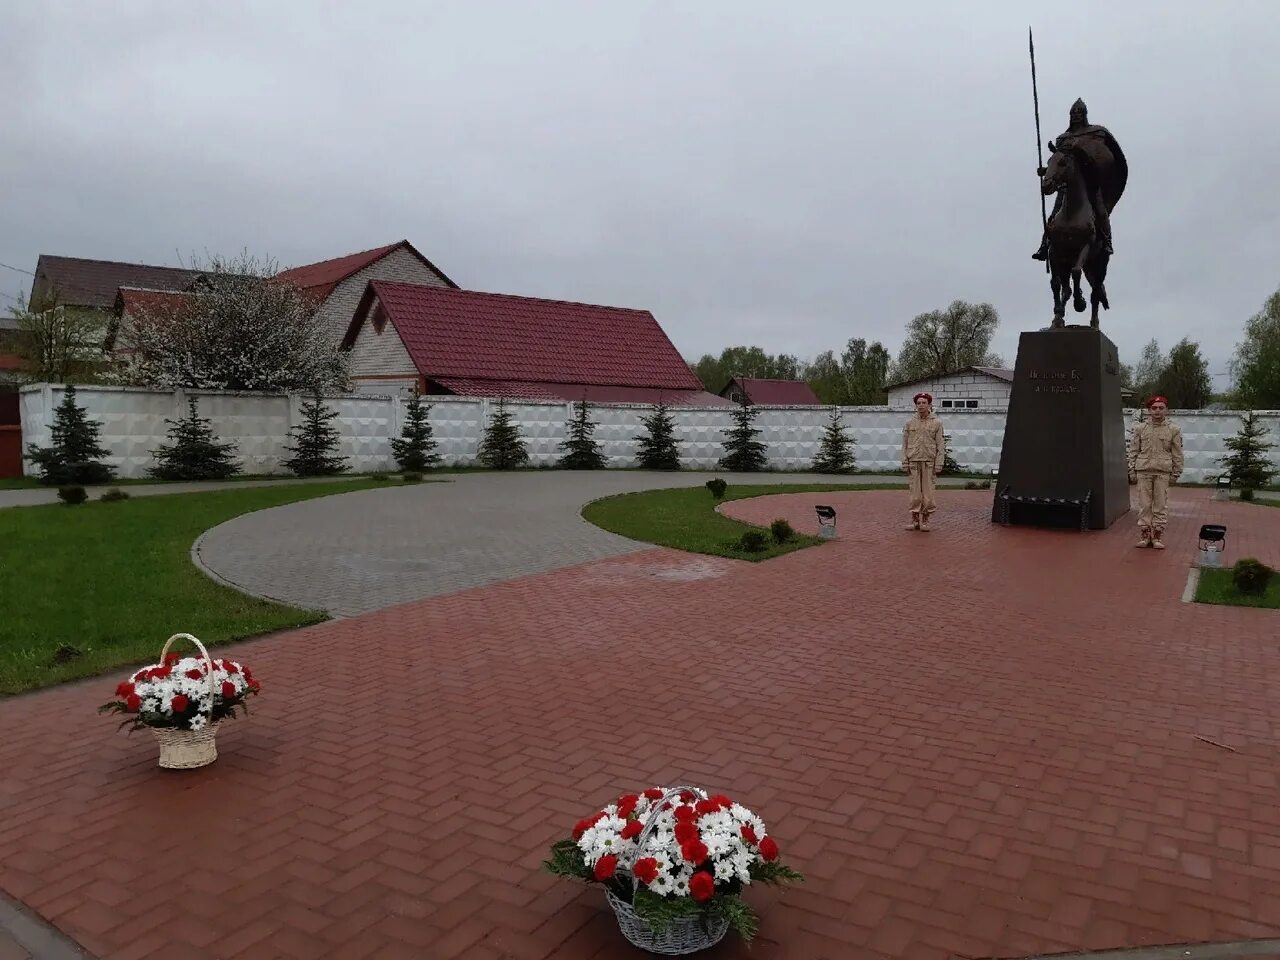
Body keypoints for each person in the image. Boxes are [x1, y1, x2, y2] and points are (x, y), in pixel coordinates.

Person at [1033, 98, 1127, 261]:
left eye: (1079, 113)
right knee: (1054, 215)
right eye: (1073, 113)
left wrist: (1081, 152)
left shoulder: (1096, 133)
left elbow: (1099, 158)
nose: (1076, 115)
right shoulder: (1063, 139)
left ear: (1084, 115)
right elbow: (1061, 161)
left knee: (1100, 211)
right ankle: (1044, 246)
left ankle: (1106, 241)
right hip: (1067, 185)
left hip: (1089, 181)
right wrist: (1047, 170)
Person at [1127, 395, 1183, 549]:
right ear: (1149, 411)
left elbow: (1177, 452)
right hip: (1143, 470)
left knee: (1160, 505)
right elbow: (1133, 450)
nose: (1157, 411)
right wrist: (1131, 470)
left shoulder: (1173, 430)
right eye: (1154, 408)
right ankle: (1145, 535)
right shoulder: (1140, 428)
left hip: (1162, 472)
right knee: (1144, 505)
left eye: (1161, 408)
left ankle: (1157, 536)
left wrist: (1176, 472)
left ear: (1166, 410)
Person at [901, 392, 945, 531]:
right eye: (918, 403)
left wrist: (939, 463)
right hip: (913, 461)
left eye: (923, 403)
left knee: (928, 494)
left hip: (929, 462)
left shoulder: (937, 423)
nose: (921, 405)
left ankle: (925, 521)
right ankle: (914, 521)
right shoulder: (909, 423)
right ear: (915, 405)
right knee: (915, 494)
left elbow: (940, 445)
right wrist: (904, 461)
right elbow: (904, 444)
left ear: (929, 405)